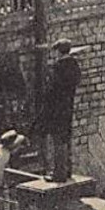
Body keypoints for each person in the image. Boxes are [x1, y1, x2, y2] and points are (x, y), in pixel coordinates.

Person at [34, 38, 80, 181]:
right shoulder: (74, 66)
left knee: (58, 140)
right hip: (68, 106)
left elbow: (51, 90)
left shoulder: (57, 68)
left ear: (59, 52)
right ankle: (67, 171)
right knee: (66, 138)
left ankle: (58, 174)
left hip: (56, 109)